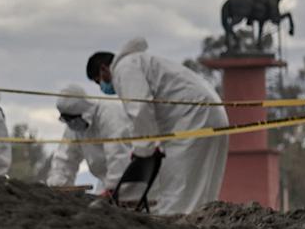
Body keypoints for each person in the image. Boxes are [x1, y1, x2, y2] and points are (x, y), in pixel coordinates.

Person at [85, 38, 228, 214]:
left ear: (104, 69)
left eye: (99, 81)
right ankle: (198, 225)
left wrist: (143, 150)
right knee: (200, 186)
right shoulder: (141, 62)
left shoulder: (125, 68)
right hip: (210, 113)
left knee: (178, 188)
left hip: (192, 119)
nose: (103, 87)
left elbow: (140, 108)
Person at [43, 83, 132, 191]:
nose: (72, 124)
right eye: (66, 119)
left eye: (73, 119)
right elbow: (65, 157)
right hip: (107, 181)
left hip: (134, 181)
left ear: (84, 113)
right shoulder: (74, 128)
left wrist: (113, 187)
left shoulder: (110, 114)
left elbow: (118, 155)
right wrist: (58, 185)